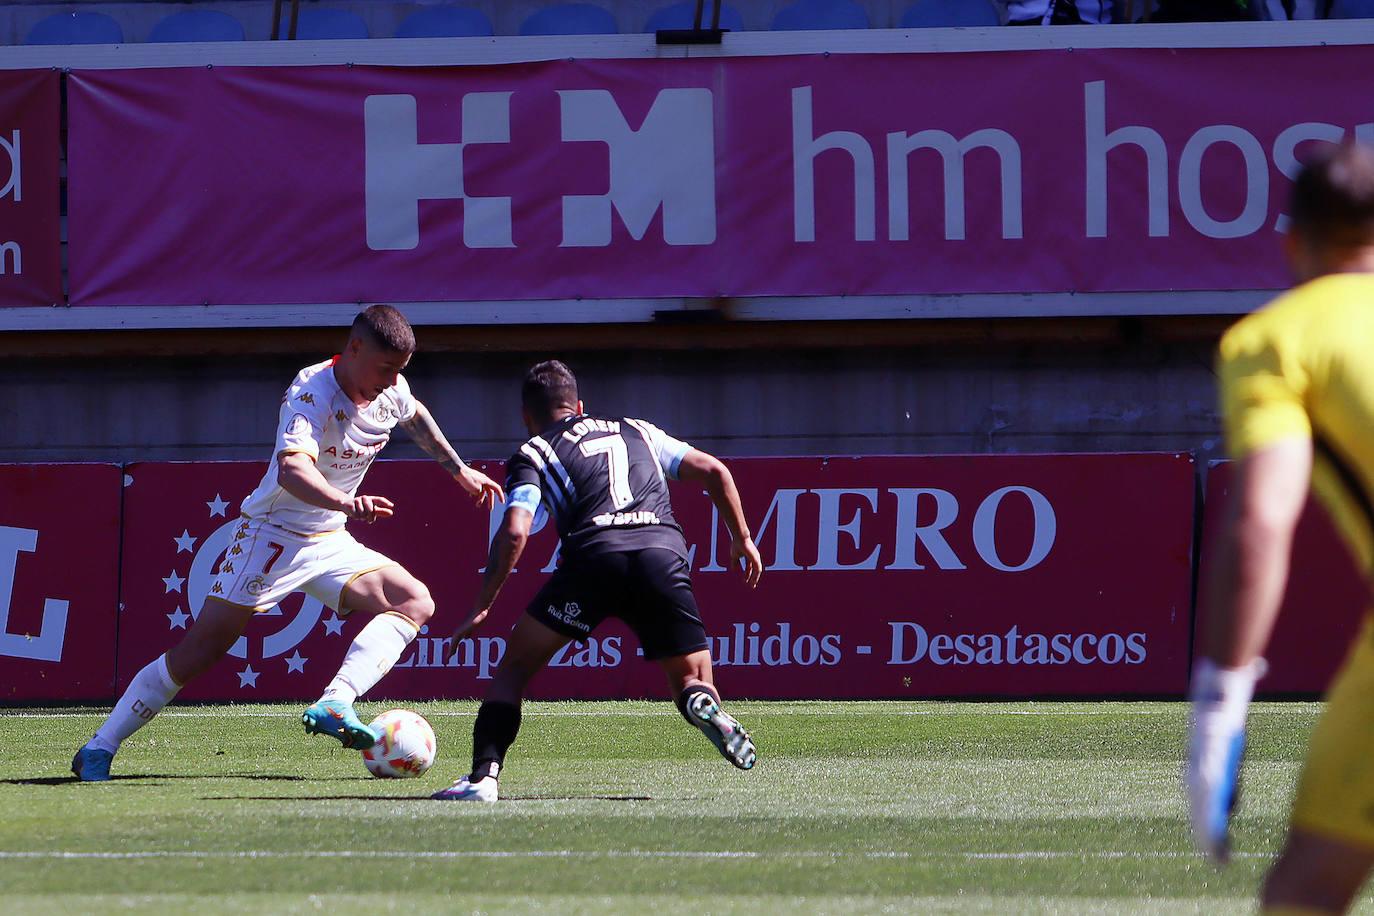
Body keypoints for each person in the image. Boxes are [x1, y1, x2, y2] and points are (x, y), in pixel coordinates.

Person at [71, 304, 503, 781]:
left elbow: (414, 414)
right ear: (353, 348)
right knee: (198, 653)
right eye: (385, 369)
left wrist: (458, 469)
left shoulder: (391, 388)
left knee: (414, 600)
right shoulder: (312, 391)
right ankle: (99, 747)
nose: (390, 381)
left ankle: (336, 701)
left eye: (399, 371)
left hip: (329, 538)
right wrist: (346, 502)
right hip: (270, 536)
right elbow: (292, 470)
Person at [432, 359, 762, 802]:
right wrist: (741, 538)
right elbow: (714, 470)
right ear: (580, 405)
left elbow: (514, 530)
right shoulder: (638, 430)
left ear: (527, 418)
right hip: (661, 554)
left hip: (593, 560)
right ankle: (703, 705)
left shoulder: (533, 452)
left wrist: (483, 604)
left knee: (514, 669)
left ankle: (483, 779)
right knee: (692, 678)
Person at [1186, 139, 1374, 914]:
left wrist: (1219, 708)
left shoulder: (1275, 338)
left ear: (1293, 242)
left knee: (1305, 893)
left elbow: (1260, 526)